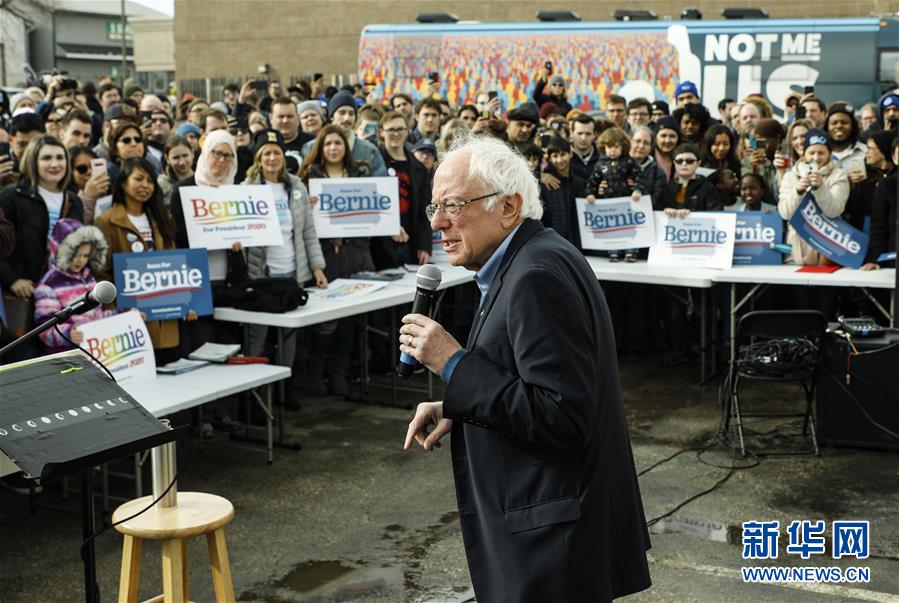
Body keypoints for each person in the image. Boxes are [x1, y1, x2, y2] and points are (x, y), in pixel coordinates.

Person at [400, 134, 651, 602]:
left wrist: (452, 363)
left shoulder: (535, 275)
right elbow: (531, 379)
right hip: (554, 531)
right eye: (434, 207)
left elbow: (563, 415)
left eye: (453, 205)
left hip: (551, 544)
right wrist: (457, 403)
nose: (438, 223)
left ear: (509, 206)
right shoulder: (530, 256)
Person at [243, 129, 328, 407]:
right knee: (258, 334)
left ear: (283, 156)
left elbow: (308, 232)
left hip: (293, 271)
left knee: (289, 334)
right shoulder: (246, 190)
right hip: (261, 274)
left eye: (276, 152)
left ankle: (285, 389)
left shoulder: (297, 187)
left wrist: (317, 266)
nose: (271, 158)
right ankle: (253, 396)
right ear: (258, 157)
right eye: (266, 153)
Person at [300, 124, 374, 395]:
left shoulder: (360, 174)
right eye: (328, 143)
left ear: (346, 148)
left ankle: (339, 372)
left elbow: (376, 209)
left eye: (338, 143)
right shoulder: (308, 177)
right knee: (324, 321)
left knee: (348, 321)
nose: (333, 148)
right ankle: (315, 373)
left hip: (354, 256)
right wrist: (307, 206)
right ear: (321, 147)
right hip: (325, 256)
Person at [95, 157, 191, 365]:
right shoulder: (106, 221)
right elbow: (101, 272)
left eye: (150, 180)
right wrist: (113, 311)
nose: (145, 185)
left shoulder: (161, 217)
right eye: (138, 179)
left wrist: (185, 302)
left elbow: (173, 263)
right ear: (122, 182)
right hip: (130, 317)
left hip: (166, 315)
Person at [0, 135, 84, 304]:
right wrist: (12, 279)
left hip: (62, 294)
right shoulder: (11, 196)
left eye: (60, 158)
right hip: (23, 293)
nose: (55, 164)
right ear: (33, 162)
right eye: (46, 158)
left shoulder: (74, 201)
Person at [32, 219, 117, 354]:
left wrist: (125, 315)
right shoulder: (48, 285)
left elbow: (97, 316)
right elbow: (44, 328)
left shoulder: (88, 278)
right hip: (65, 356)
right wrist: (68, 333)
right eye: (74, 255)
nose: (81, 261)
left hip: (93, 351)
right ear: (60, 252)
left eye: (85, 255)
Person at [778, 129, 850, 266]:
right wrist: (798, 190)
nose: (816, 158)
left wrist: (820, 188)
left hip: (828, 247)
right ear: (804, 153)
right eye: (811, 153)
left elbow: (834, 211)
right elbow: (784, 213)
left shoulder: (839, 175)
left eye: (821, 153)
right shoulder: (790, 176)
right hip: (796, 248)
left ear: (829, 153)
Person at [373, 112, 432, 268]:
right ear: (381, 132)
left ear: (407, 131)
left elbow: (424, 210)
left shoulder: (418, 167)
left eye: (400, 129)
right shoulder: (373, 162)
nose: (396, 134)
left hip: (410, 242)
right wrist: (389, 225)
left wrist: (425, 245)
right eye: (391, 130)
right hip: (379, 243)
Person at [585, 127, 644, 262]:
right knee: (612, 228)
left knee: (629, 227)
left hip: (627, 202)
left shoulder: (629, 161)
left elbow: (640, 177)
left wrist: (638, 190)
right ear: (603, 147)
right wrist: (590, 193)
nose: (612, 150)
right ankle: (614, 251)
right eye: (609, 147)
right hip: (608, 204)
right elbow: (593, 180)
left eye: (616, 147)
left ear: (623, 147)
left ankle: (631, 251)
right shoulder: (600, 164)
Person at [539, 137, 583, 248]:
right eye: (555, 156)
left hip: (579, 244)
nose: (559, 160)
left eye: (563, 154)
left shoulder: (580, 183)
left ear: (570, 153)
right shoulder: (544, 183)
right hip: (552, 244)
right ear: (549, 158)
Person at [861, 137, 898, 271]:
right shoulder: (888, 184)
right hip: (893, 260)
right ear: (894, 157)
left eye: (871, 148)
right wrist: (875, 258)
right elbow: (879, 226)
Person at [68, 145, 110, 222]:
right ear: (70, 172)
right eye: (82, 169)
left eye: (93, 167)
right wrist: (88, 197)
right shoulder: (66, 199)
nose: (89, 172)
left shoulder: (111, 190)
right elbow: (77, 227)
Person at [157, 135, 194, 206]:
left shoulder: (203, 180)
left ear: (192, 153)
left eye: (185, 155)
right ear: (167, 159)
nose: (182, 162)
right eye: (176, 158)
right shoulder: (161, 184)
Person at [653, 116, 682, 180]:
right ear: (655, 138)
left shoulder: (683, 158)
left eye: (672, 136)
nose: (667, 140)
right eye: (663, 136)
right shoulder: (648, 159)